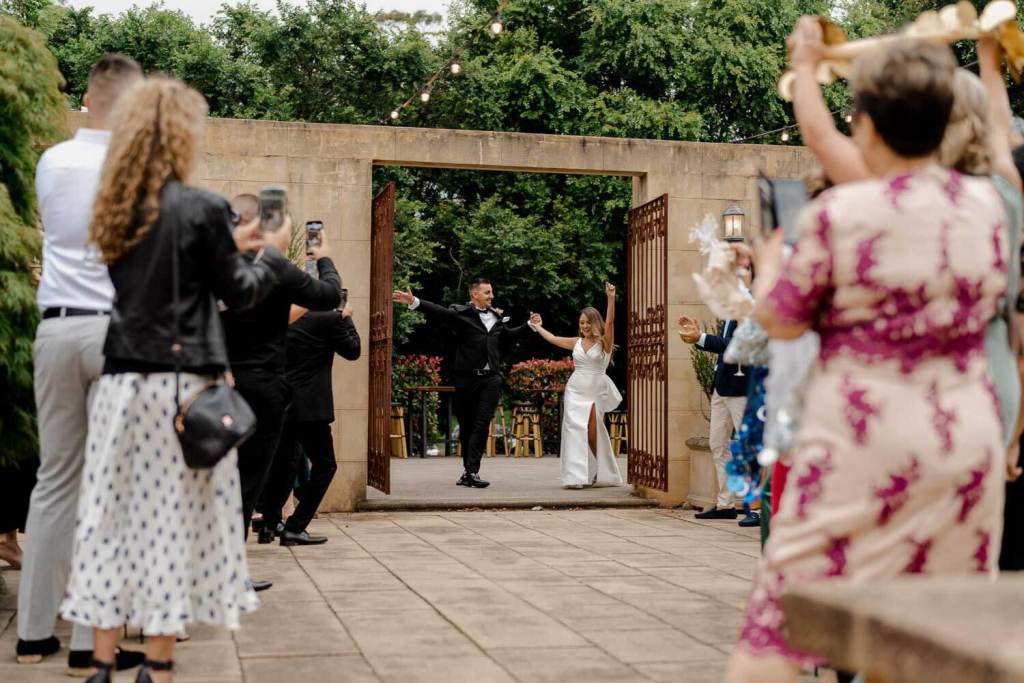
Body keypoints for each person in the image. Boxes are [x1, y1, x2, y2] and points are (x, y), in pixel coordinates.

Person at [727, 41, 1010, 683]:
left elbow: (780, 320)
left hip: (863, 439)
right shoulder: (986, 208)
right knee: (934, 634)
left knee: (781, 622)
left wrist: (769, 270)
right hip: (964, 437)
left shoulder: (841, 213)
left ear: (869, 124)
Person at [16, 54, 146, 676]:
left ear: (89, 100)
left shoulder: (51, 161)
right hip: (118, 335)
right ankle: (87, 642)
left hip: (58, 330)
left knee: (55, 483)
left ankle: (34, 633)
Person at [220, 196, 341, 560]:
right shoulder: (273, 266)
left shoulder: (215, 265)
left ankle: (216, 565)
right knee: (247, 481)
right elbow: (330, 294)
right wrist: (324, 258)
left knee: (224, 478)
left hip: (221, 383)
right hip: (261, 387)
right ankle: (230, 571)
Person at [392, 279, 530, 488]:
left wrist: (530, 325)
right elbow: (439, 312)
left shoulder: (496, 316)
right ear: (475, 294)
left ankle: (472, 471)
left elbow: (509, 335)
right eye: (487, 293)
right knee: (467, 425)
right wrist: (414, 301)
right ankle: (468, 472)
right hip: (466, 378)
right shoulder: (462, 313)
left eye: (491, 292)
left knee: (483, 422)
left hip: (491, 377)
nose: (491, 296)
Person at [258, 303, 361, 545]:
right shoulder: (329, 319)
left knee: (283, 465)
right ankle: (295, 526)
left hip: (282, 403)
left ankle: (269, 524)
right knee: (325, 465)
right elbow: (353, 350)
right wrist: (346, 318)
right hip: (310, 408)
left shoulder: (282, 317)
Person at [529, 283, 623, 488]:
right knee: (573, 429)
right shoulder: (576, 342)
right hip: (575, 389)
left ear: (595, 322)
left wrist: (611, 298)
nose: (584, 327)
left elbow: (610, 321)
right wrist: (537, 327)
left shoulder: (605, 342)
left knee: (592, 431)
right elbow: (553, 339)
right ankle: (575, 477)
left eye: (588, 322)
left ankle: (604, 469)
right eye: (581, 323)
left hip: (596, 389)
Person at [678, 315, 750, 522]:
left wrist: (701, 337)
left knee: (750, 446)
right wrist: (697, 338)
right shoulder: (728, 310)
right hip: (722, 387)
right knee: (718, 444)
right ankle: (725, 504)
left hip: (742, 388)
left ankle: (756, 507)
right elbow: (724, 345)